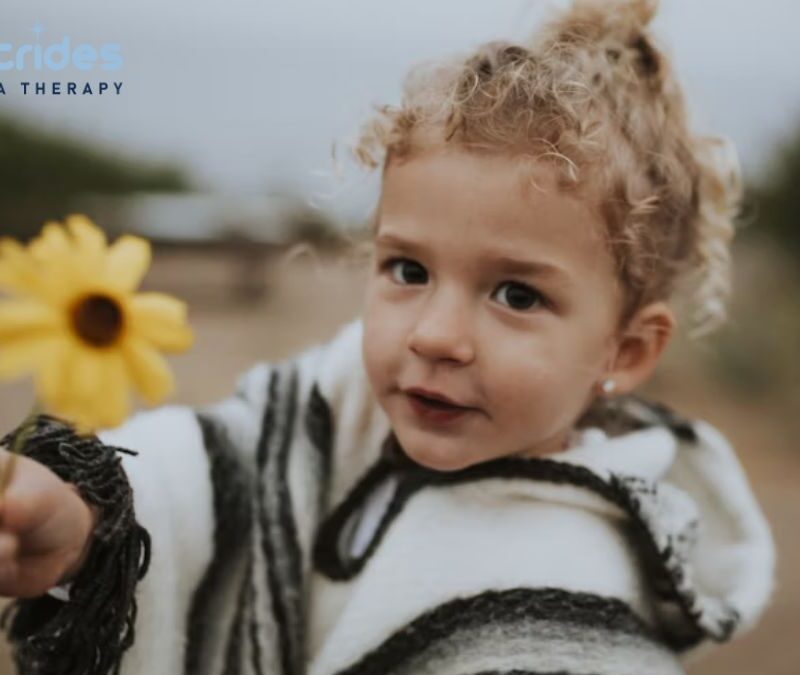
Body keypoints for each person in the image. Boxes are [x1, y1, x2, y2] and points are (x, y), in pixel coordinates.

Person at [0, 1, 775, 673]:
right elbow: (198, 474)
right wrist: (81, 524)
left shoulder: (570, 600)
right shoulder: (328, 410)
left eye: (516, 293)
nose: (437, 336)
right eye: (408, 269)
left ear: (626, 350)